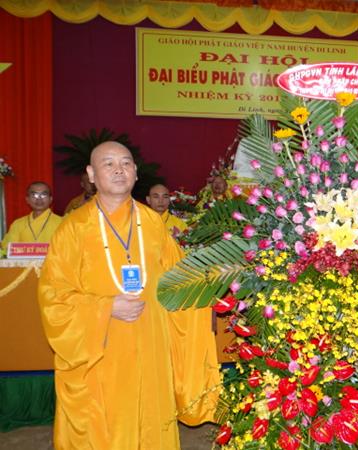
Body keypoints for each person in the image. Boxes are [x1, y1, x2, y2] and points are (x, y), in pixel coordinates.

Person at [38, 141, 220, 449]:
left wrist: (211, 286)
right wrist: (105, 307)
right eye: (108, 164)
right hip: (102, 349)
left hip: (151, 343)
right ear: (91, 174)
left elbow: (180, 277)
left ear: (136, 172)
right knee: (106, 425)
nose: (118, 169)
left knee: (152, 419)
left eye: (125, 163)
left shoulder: (152, 223)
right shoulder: (73, 228)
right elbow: (53, 296)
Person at [1, 181, 62, 249]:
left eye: (43, 194)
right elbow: (7, 249)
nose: (39, 199)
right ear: (27, 199)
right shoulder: (18, 224)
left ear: (50, 199)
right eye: (34, 195)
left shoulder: (62, 223)